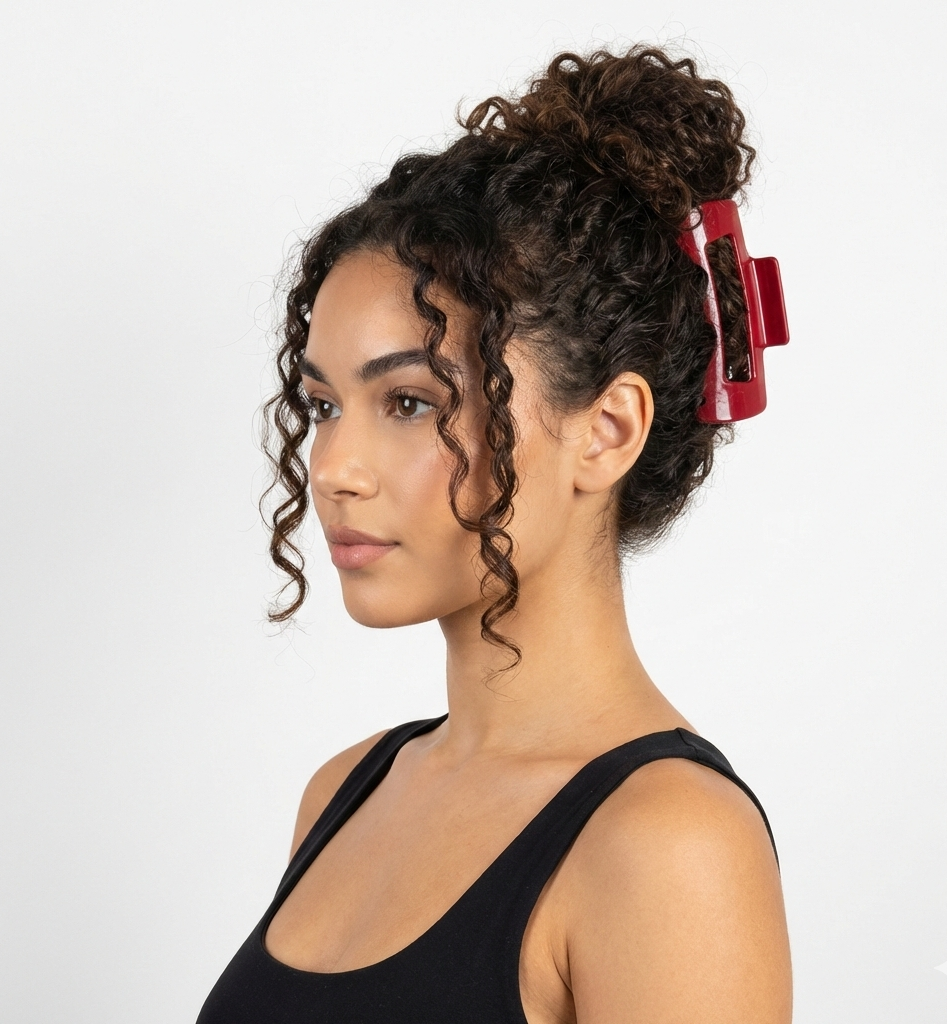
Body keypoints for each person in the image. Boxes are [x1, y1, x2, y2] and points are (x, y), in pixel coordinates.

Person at [197, 43, 792, 1024]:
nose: (334, 465)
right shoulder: (344, 793)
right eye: (324, 405)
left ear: (607, 431)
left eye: (409, 402)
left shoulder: (668, 844)